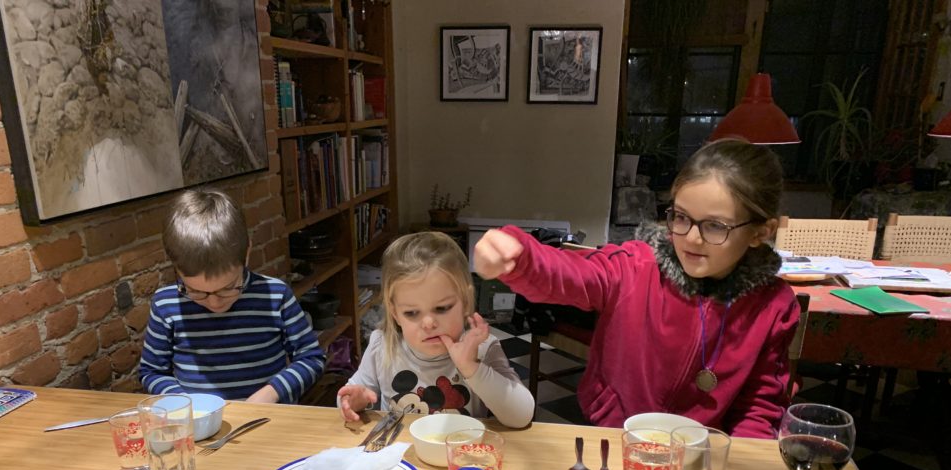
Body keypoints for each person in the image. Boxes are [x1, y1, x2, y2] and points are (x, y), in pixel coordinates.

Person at [473, 138, 800, 439]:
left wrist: (742, 462)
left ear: (760, 232)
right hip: (617, 433)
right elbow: (572, 273)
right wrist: (520, 256)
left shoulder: (773, 306)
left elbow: (760, 405)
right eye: (681, 217)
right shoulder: (636, 266)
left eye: (715, 226)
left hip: (703, 451)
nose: (691, 237)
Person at [140, 188, 326, 403]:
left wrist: (271, 393)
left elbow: (311, 358)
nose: (214, 302)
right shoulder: (166, 304)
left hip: (266, 416)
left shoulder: (275, 296)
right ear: (176, 268)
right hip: (198, 419)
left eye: (228, 288)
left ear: (246, 254)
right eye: (196, 291)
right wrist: (183, 401)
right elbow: (151, 372)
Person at [338, 232, 534, 428]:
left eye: (442, 308)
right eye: (411, 313)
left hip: (462, 446)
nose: (428, 323)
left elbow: (521, 416)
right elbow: (348, 397)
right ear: (394, 312)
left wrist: (471, 367)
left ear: (466, 301)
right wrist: (354, 400)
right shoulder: (382, 345)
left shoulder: (482, 348)